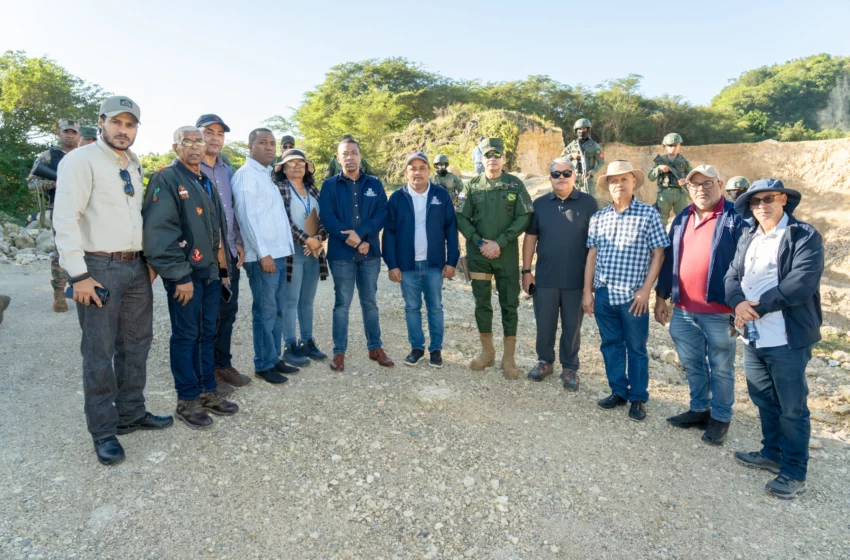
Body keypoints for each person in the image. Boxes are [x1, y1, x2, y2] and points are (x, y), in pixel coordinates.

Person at [54, 96, 173, 465]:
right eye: (117, 123)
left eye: (131, 124)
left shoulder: (133, 163)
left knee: (137, 344)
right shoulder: (80, 160)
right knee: (99, 353)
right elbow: (66, 219)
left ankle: (131, 413)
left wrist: (148, 263)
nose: (124, 130)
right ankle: (103, 431)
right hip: (97, 268)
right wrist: (79, 276)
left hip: (135, 267)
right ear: (101, 122)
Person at [725, 178, 824, 500]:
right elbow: (731, 276)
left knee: (792, 407)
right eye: (755, 202)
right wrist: (738, 303)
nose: (761, 206)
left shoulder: (803, 235)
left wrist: (757, 308)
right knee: (763, 399)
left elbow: (801, 283)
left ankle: (795, 472)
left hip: (786, 336)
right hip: (753, 337)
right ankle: (772, 453)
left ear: (783, 199)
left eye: (768, 199)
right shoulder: (748, 236)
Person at [143, 126, 239, 429]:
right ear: (176, 147)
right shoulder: (167, 178)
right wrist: (178, 275)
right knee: (186, 336)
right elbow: (160, 233)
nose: (196, 146)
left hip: (210, 272)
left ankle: (208, 392)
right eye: (188, 142)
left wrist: (222, 269)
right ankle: (187, 400)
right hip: (185, 276)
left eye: (200, 141)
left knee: (206, 333)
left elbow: (216, 230)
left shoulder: (204, 180)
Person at [654, 165, 746, 445]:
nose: (701, 189)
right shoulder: (682, 216)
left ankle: (720, 417)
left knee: (721, 367)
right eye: (695, 185)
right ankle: (698, 409)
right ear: (688, 188)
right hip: (683, 310)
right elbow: (669, 258)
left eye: (707, 183)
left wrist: (740, 306)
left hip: (720, 312)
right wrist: (660, 296)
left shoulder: (736, 217)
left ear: (719, 183)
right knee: (692, 363)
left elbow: (748, 264)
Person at [583, 160, 668, 421]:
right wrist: (588, 291)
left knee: (636, 348)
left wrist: (646, 290)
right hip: (605, 293)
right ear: (608, 185)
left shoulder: (649, 214)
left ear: (633, 183)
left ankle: (638, 397)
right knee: (610, 344)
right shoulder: (598, 218)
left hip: (634, 296)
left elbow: (659, 254)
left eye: (624, 179)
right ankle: (618, 390)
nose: (618, 184)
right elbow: (591, 256)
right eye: (613, 180)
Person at [456, 138, 533, 379]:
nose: (492, 158)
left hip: (506, 255)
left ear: (503, 158)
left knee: (510, 304)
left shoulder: (515, 184)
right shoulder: (471, 187)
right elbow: (460, 217)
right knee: (482, 303)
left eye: (496, 154)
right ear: (481, 158)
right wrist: (480, 242)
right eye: (487, 154)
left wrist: (499, 242)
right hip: (479, 256)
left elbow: (524, 217)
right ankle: (487, 352)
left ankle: (508, 358)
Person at [523, 157, 597, 391]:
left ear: (575, 176)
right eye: (556, 174)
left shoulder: (589, 203)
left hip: (577, 280)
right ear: (550, 178)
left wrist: (590, 285)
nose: (562, 177)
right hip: (545, 278)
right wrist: (526, 271)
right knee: (544, 325)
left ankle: (570, 368)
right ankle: (545, 361)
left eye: (567, 173)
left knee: (572, 327)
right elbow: (530, 238)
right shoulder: (541, 203)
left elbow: (595, 246)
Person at [319, 137, 393, 371]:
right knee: (342, 304)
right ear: (338, 158)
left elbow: (381, 214)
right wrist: (350, 239)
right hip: (341, 255)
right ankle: (339, 352)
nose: (350, 157)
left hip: (369, 253)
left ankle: (375, 348)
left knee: (370, 303)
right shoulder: (329, 185)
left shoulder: (374, 184)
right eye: (345, 154)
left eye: (354, 153)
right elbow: (328, 218)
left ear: (360, 156)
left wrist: (360, 236)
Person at [232, 129, 300, 384]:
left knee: (278, 310)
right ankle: (263, 364)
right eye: (263, 143)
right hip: (265, 257)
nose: (270, 147)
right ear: (250, 146)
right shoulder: (246, 176)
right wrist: (263, 254)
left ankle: (274, 358)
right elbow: (247, 218)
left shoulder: (267, 175)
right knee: (265, 311)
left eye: (272, 143)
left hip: (280, 254)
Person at [383, 152, 459, 368]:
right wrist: (392, 265)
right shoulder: (397, 198)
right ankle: (417, 348)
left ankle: (436, 350)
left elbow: (451, 230)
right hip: (407, 266)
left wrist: (452, 261)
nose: (417, 172)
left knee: (435, 307)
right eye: (412, 168)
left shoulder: (441, 195)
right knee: (411, 308)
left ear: (429, 171)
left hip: (434, 264)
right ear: (406, 172)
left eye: (422, 168)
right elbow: (389, 233)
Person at [196, 113, 251, 395]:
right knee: (206, 316)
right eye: (209, 131)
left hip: (230, 255)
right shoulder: (187, 169)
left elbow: (234, 211)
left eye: (220, 133)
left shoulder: (228, 171)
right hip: (204, 257)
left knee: (227, 311)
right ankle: (205, 374)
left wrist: (239, 242)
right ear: (197, 135)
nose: (215, 137)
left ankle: (222, 364)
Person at [272, 149, 329, 365]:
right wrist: (306, 239)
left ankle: (307, 341)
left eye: (301, 163)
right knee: (290, 300)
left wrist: (319, 238)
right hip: (293, 251)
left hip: (314, 252)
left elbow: (325, 217)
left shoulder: (313, 189)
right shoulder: (279, 189)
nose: (296, 166)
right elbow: (283, 221)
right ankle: (290, 345)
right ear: (283, 168)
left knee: (307, 300)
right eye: (291, 163)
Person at [28, 118, 80, 312]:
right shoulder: (48, 156)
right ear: (59, 133)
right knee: (61, 251)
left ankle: (80, 288)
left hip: (88, 210)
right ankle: (59, 292)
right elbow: (32, 182)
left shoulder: (87, 154)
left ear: (79, 134)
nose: (70, 135)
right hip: (61, 210)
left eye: (74, 132)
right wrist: (55, 184)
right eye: (66, 131)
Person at [648, 133, 693, 227]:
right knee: (661, 220)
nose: (673, 148)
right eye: (670, 145)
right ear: (665, 146)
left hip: (680, 193)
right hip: (664, 194)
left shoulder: (684, 161)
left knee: (683, 220)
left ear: (679, 146)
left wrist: (686, 180)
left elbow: (693, 175)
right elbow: (650, 177)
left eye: (675, 145)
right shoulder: (660, 161)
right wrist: (658, 169)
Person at [560, 118, 605, 199]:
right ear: (576, 130)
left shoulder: (594, 145)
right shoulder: (572, 145)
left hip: (588, 179)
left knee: (590, 201)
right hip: (574, 179)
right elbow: (561, 159)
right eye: (580, 129)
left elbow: (601, 162)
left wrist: (592, 172)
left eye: (584, 128)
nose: (582, 131)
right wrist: (571, 156)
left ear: (588, 130)